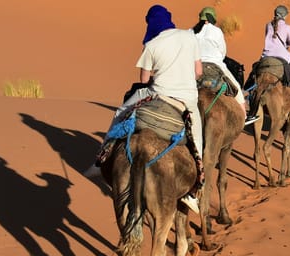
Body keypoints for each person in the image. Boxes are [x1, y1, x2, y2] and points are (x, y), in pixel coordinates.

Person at [86, 5, 203, 211]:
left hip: (157, 93)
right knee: (197, 134)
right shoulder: (189, 36)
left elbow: (144, 80)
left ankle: (100, 159)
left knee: (120, 112)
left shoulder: (151, 44)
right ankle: (195, 186)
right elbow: (198, 72)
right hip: (187, 98)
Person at [244, 5, 290, 125]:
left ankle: (245, 91)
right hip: (282, 56)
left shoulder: (268, 25)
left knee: (255, 69)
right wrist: (288, 43)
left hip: (266, 55)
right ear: (285, 15)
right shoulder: (287, 27)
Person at [193, 7, 249, 114]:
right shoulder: (217, 31)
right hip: (216, 65)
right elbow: (223, 52)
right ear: (213, 18)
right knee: (237, 90)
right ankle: (244, 116)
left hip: (195, 67)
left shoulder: (192, 31)